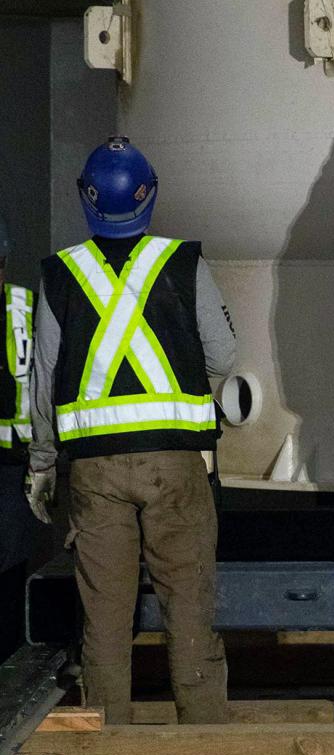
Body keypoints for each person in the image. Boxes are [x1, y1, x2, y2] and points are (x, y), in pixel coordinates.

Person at [26, 137, 238, 724]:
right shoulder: (184, 262)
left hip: (93, 472)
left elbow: (43, 378)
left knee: (106, 615)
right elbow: (222, 353)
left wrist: (43, 463)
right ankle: (208, 750)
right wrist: (182, 391)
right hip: (174, 463)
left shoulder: (60, 274)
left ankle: (109, 748)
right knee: (189, 605)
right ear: (150, 196)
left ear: (86, 200)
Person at [0, 212, 35, 659]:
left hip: (15, 470)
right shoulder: (27, 305)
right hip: (18, 467)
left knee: (9, 579)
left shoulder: (25, 306)